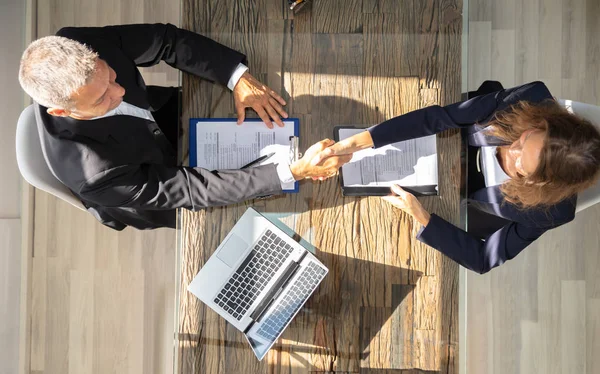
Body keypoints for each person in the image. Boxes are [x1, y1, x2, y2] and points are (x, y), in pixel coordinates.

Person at [18, 23, 347, 230]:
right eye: (102, 98)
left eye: (113, 77)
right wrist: (292, 172)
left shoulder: (77, 41)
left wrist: (237, 78)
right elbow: (191, 188)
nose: (119, 92)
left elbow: (165, 41)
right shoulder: (95, 173)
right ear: (62, 110)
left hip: (167, 117)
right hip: (154, 183)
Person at [311, 81, 600, 274]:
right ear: (543, 123)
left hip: (473, 196)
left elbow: (484, 258)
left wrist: (422, 216)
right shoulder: (529, 100)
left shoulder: (552, 211)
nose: (512, 149)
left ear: (538, 183)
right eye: (526, 137)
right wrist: (357, 143)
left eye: (521, 161)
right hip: (457, 136)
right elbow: (439, 118)